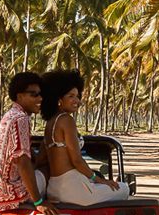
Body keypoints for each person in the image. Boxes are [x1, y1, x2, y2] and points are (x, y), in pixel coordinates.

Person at [41, 69, 131, 206]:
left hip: (53, 188)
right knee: (124, 188)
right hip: (72, 189)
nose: (77, 101)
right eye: (71, 96)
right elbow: (76, 160)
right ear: (59, 99)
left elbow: (42, 157)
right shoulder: (66, 120)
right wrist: (98, 179)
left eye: (77, 96)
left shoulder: (50, 123)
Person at [0, 72, 48, 212]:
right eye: (34, 94)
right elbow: (23, 162)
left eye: (41, 94)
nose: (40, 98)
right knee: (46, 169)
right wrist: (39, 202)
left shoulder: (10, 116)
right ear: (19, 96)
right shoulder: (20, 119)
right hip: (5, 195)